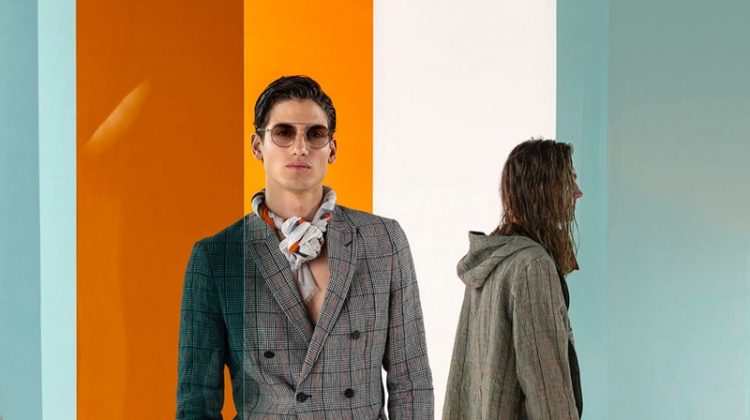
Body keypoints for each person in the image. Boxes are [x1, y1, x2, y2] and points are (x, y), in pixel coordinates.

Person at [176, 75, 434, 419]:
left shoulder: (383, 240)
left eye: (315, 134)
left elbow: (411, 380)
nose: (300, 148)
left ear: (332, 149)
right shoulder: (217, 257)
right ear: (257, 146)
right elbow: (197, 400)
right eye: (284, 133)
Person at [442, 139, 584, 420]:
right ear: (544, 188)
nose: (578, 193)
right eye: (570, 180)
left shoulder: (490, 259)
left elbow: (464, 379)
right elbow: (546, 387)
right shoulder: (533, 265)